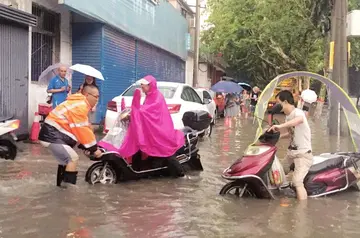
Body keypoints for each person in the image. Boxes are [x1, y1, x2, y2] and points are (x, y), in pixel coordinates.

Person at [117, 75, 185, 176]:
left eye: (143, 86)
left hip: (160, 130)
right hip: (152, 129)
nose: (142, 88)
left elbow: (147, 111)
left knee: (165, 152)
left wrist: (136, 111)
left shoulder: (157, 97)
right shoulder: (149, 96)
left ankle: (181, 174)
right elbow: (144, 109)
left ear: (150, 85)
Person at [39, 84, 103, 187]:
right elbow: (82, 130)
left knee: (65, 160)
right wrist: (94, 149)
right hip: (52, 135)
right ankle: (68, 193)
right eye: (96, 96)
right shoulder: (80, 106)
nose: (97, 100)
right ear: (87, 95)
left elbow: (81, 129)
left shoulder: (79, 103)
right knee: (72, 158)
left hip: (54, 134)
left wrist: (86, 146)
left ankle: (60, 187)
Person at [268, 90, 313, 200]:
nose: (277, 106)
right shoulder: (288, 117)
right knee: (277, 172)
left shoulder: (298, 113)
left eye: (278, 103)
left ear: (286, 102)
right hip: (291, 154)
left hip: (302, 155)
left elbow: (299, 120)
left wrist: (280, 126)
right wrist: (278, 137)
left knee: (297, 182)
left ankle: (301, 212)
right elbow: (291, 133)